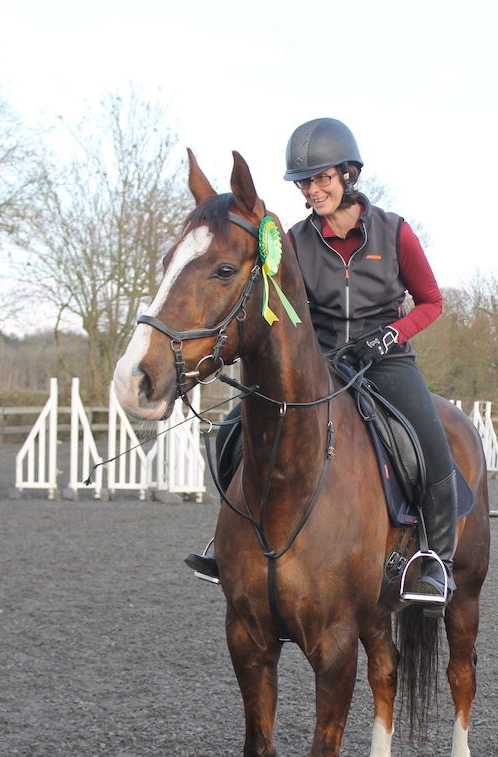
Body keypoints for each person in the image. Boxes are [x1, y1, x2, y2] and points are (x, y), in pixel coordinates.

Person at [187, 117, 456, 613]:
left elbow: (431, 302)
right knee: (231, 431)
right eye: (304, 182)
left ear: (347, 174)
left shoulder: (395, 232)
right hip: (323, 359)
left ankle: (436, 561)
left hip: (386, 360)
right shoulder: (292, 241)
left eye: (322, 178)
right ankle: (229, 540)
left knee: (431, 445)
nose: (313, 190)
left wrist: (389, 336)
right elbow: (276, 304)